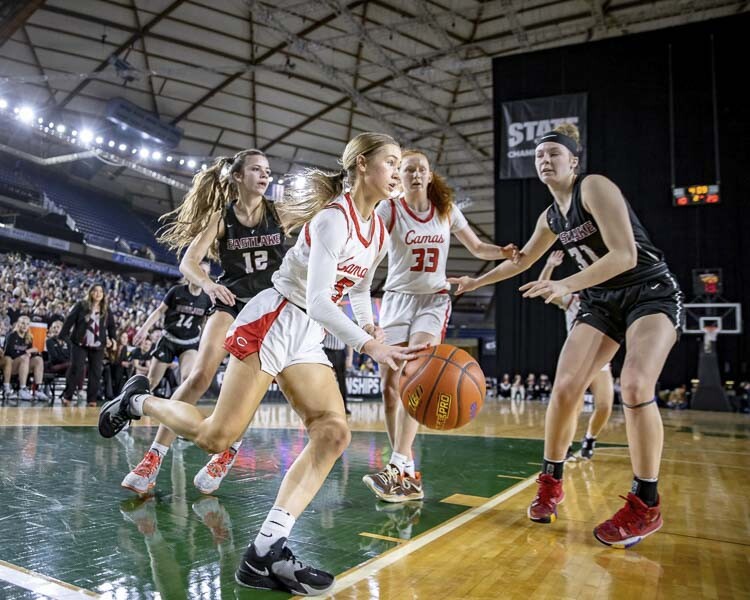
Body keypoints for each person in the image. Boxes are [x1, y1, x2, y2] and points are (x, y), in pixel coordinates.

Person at [99, 132, 425, 595]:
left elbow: (355, 289)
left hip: (306, 333)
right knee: (217, 437)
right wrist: (369, 348)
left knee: (333, 432)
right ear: (360, 165)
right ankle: (140, 401)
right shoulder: (334, 220)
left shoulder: (377, 227)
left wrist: (372, 328)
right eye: (390, 162)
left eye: (399, 164)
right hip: (275, 319)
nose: (397, 172)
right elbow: (318, 298)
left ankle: (265, 552)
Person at [449, 123, 682, 548]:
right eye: (540, 156)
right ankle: (550, 483)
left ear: (574, 161)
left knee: (633, 384)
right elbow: (520, 263)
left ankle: (645, 503)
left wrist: (566, 284)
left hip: (649, 290)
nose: (545, 160)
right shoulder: (551, 217)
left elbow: (625, 254)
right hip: (602, 301)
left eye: (554, 154)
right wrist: (474, 282)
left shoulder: (593, 187)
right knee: (566, 387)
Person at [121, 149, 287, 496]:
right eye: (256, 169)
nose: (264, 175)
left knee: (248, 392)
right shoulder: (222, 217)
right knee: (198, 375)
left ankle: (228, 453)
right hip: (231, 301)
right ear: (238, 177)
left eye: (267, 170)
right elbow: (188, 262)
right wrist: (210, 286)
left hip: (268, 308)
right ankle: (153, 457)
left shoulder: (279, 211)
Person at [362, 148, 518, 503]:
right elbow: (370, 251)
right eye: (408, 169)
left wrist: (503, 251)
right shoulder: (389, 209)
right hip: (396, 300)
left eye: (421, 169)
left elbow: (478, 248)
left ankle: (397, 464)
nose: (415, 174)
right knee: (390, 389)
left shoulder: (445, 210)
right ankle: (406, 472)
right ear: (398, 177)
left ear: (430, 175)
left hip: (433, 300)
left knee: (417, 369)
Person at [540, 250, 614, 460]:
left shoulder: (609, 300)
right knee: (573, 406)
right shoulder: (572, 300)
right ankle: (565, 448)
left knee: (605, 405)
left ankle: (590, 438)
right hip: (577, 359)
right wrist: (550, 265)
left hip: (600, 360)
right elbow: (544, 289)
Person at [131, 267, 212, 392]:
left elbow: (206, 322)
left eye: (206, 272)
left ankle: (177, 409)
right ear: (191, 272)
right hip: (168, 340)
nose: (203, 274)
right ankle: (134, 406)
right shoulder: (176, 291)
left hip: (189, 343)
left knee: (187, 380)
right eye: (200, 270)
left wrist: (205, 342)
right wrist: (144, 329)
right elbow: (159, 311)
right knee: (152, 382)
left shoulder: (207, 299)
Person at [59, 284, 116, 407]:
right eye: (95, 291)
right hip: (79, 343)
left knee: (96, 372)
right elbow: (69, 320)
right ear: (90, 293)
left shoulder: (106, 309)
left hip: (98, 345)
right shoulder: (81, 305)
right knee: (76, 368)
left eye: (101, 291)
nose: (98, 293)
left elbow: (111, 326)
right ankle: (67, 396)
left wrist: (113, 339)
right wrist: (64, 336)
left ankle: (92, 399)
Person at [2, 315, 48, 401]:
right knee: (25, 358)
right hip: (11, 365)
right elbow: (8, 353)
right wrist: (27, 352)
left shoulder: (29, 337)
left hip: (24, 365)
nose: (24, 326)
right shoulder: (11, 335)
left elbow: (30, 354)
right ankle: (22, 389)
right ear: (18, 324)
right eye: (22, 323)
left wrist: (33, 352)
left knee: (38, 360)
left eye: (27, 324)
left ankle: (37, 389)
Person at [322, 329, 353, 415]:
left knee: (342, 382)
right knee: (326, 382)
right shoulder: (325, 319)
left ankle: (344, 407)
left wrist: (350, 357)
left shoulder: (343, 321)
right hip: (328, 352)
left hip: (340, 353)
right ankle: (326, 407)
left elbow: (349, 341)